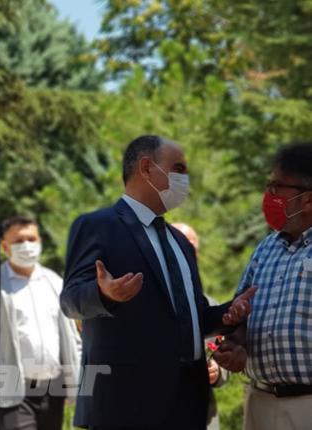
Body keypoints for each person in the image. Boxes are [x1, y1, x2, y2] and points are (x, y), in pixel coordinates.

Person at [61, 135, 256, 429]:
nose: (185, 179)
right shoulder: (97, 226)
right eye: (178, 168)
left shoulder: (181, 243)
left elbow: (193, 317)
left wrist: (229, 313)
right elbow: (70, 300)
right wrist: (104, 293)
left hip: (188, 403)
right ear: (146, 168)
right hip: (126, 404)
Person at [219, 143, 312, 430]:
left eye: (276, 188)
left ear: (307, 200)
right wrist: (235, 344)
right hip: (259, 402)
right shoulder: (265, 248)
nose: (268, 197)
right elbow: (240, 314)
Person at [0, 216, 82, 430]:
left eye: (31, 239)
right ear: (5, 247)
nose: (26, 246)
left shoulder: (55, 283)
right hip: (15, 390)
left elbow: (72, 337)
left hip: (53, 389)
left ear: (40, 242)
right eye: (18, 241)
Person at [172, 222, 229, 430]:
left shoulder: (210, 305)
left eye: (192, 248)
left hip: (202, 417)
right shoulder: (140, 302)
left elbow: (226, 353)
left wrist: (217, 371)